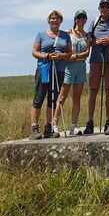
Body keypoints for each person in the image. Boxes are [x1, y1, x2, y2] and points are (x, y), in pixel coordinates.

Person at [30, 10, 72, 140]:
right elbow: (34, 51)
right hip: (44, 69)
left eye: (57, 18)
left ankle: (48, 127)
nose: (54, 20)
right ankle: (34, 128)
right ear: (49, 21)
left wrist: (61, 55)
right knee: (39, 97)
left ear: (60, 21)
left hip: (58, 70)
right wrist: (46, 56)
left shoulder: (65, 35)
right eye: (52, 18)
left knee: (53, 100)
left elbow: (69, 53)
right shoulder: (41, 35)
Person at [84, 0, 109, 135]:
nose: (104, 9)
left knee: (108, 91)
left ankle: (108, 121)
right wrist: (96, 41)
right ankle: (89, 121)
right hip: (95, 58)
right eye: (102, 6)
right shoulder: (94, 22)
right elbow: (88, 38)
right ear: (99, 8)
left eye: (107, 6)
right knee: (93, 90)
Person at [55, 10, 90, 136]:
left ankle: (73, 125)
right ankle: (55, 124)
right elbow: (62, 50)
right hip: (68, 67)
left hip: (81, 67)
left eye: (83, 18)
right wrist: (72, 56)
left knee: (77, 98)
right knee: (62, 97)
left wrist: (75, 56)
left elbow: (87, 53)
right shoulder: (68, 33)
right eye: (79, 17)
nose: (81, 20)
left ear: (85, 20)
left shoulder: (86, 35)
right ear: (75, 19)